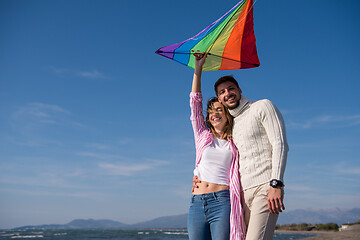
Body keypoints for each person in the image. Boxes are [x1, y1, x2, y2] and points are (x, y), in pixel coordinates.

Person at [194, 75, 289, 240]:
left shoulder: (262, 106)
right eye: (222, 92)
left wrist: (276, 183)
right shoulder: (231, 125)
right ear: (219, 99)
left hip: (265, 188)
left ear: (239, 90)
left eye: (231, 88)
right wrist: (199, 173)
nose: (228, 93)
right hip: (241, 196)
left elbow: (280, 144)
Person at [187, 53, 246, 240]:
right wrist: (198, 69)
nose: (214, 114)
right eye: (211, 112)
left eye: (219, 110)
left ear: (227, 113)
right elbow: (194, 102)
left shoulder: (235, 141)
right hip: (196, 202)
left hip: (222, 202)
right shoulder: (202, 136)